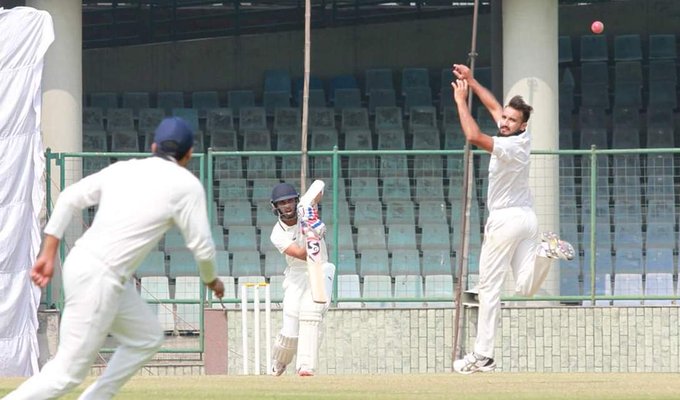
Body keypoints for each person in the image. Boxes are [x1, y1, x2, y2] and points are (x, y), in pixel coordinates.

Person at [3, 117, 225, 399]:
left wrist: (48, 251)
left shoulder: (125, 169)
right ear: (189, 154)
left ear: (154, 146)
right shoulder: (187, 185)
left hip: (87, 265)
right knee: (65, 375)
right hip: (100, 277)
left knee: (147, 337)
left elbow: (69, 197)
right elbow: (202, 247)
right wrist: (211, 280)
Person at [450, 64, 575, 375]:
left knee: (488, 287)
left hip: (505, 221)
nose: (503, 122)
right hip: (527, 220)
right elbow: (493, 106)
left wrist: (460, 101)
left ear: (523, 125)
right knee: (525, 287)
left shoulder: (508, 145)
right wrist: (473, 80)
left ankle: (483, 356)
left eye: (510, 120)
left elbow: (472, 135)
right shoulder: (520, 134)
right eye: (504, 118)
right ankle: (546, 253)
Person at [269, 181, 335, 377]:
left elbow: (320, 185)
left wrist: (308, 207)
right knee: (290, 321)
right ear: (275, 206)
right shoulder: (277, 234)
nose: (288, 206)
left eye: (290, 201)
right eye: (282, 203)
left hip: (320, 267)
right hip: (297, 273)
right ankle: (280, 360)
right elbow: (300, 253)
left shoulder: (305, 209)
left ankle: (305, 366)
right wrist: (313, 234)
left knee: (311, 313)